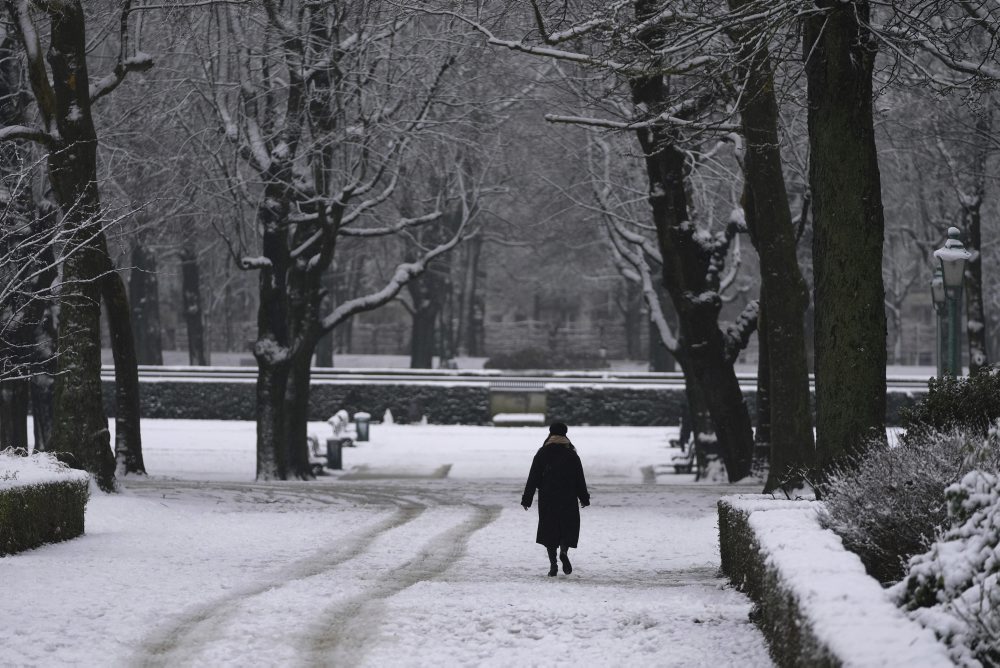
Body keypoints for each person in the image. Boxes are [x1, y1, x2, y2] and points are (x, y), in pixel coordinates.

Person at [521, 422, 590, 577]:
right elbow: (579, 479)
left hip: (548, 498)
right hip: (568, 497)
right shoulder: (572, 454)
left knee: (549, 530)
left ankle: (553, 565)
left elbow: (533, 477)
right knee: (567, 527)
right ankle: (564, 550)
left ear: (550, 433)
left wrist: (527, 499)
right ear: (565, 434)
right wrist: (584, 498)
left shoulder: (542, 453)